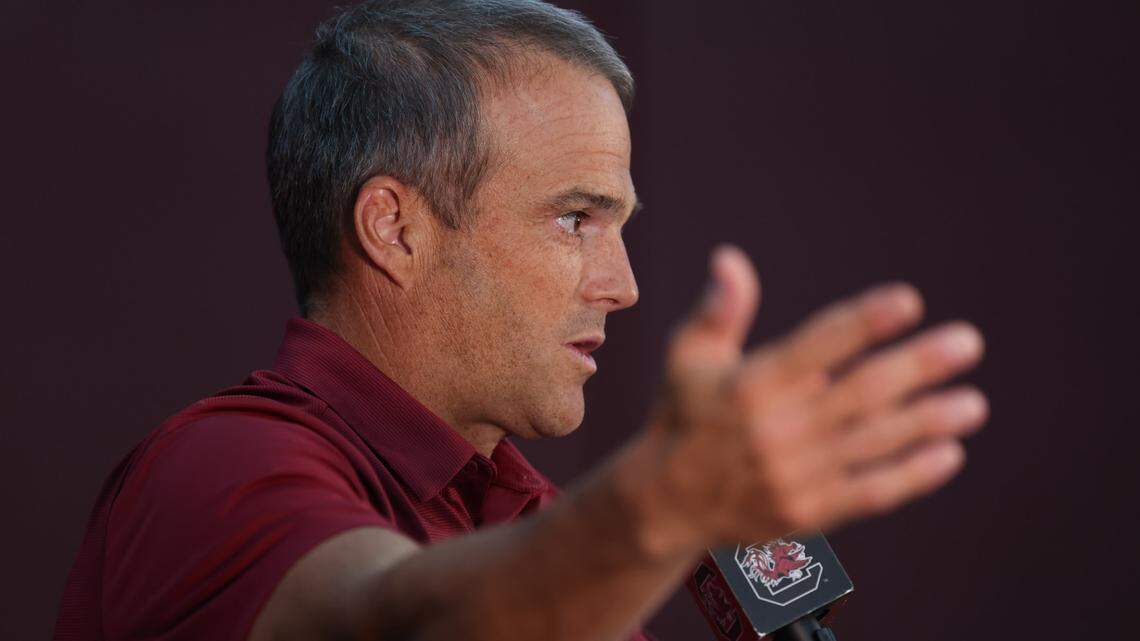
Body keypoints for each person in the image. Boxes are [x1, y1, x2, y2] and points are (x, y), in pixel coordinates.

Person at [54, 1, 989, 640]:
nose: (621, 284)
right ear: (395, 228)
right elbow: (411, 628)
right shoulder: (216, 464)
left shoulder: (538, 520)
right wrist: (662, 509)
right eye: (575, 218)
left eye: (621, 226)